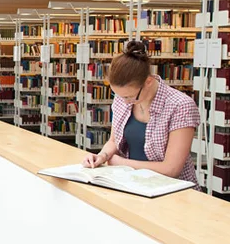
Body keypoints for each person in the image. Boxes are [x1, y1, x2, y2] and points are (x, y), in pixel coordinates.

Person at [81, 40, 201, 188]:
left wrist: (122, 163)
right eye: (119, 96)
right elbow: (114, 141)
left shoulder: (180, 106)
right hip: (134, 184)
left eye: (129, 97)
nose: (125, 102)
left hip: (172, 191)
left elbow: (171, 169)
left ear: (148, 81)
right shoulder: (122, 99)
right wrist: (101, 156)